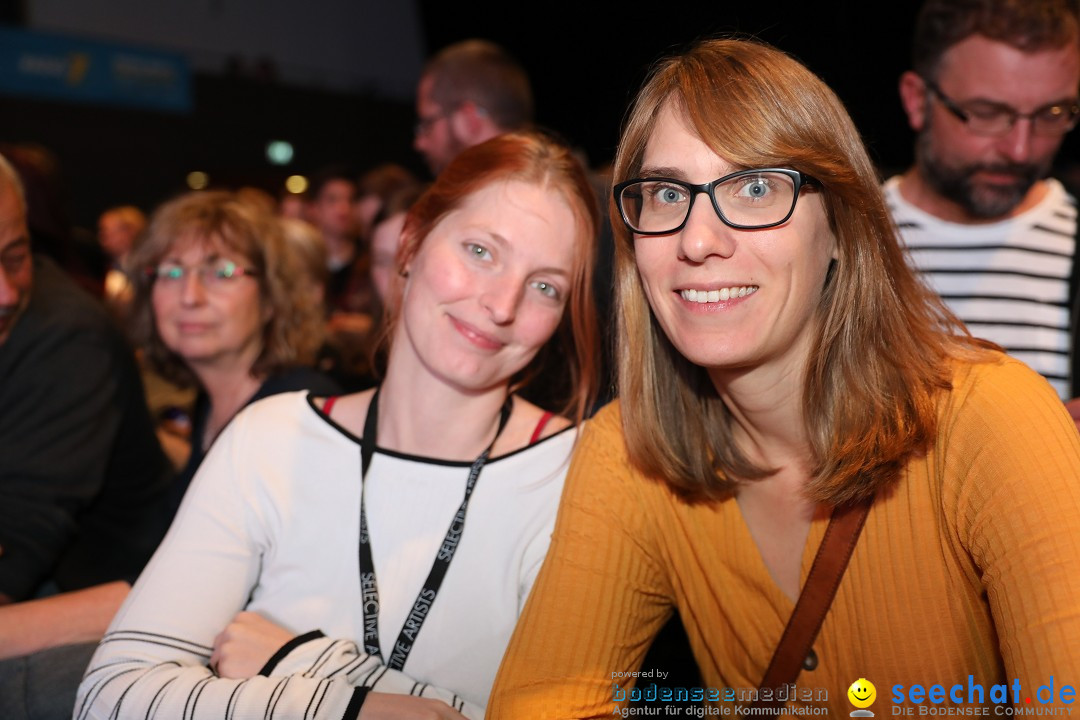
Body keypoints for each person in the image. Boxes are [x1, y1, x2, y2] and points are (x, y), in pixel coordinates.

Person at [488, 39, 1080, 718]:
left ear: (841, 228)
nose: (699, 239)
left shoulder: (993, 421)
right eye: (667, 193)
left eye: (757, 186)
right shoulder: (628, 451)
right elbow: (541, 702)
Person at [76, 131, 600, 720]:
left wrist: (305, 661)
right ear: (409, 246)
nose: (503, 304)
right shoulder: (269, 438)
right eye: (480, 251)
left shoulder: (581, 478)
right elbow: (112, 696)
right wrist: (371, 707)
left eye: (545, 286)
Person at [0, 154, 173, 716]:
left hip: (99, 592)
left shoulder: (65, 337)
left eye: (15, 256)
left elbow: (20, 538)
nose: (5, 293)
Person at [885, 0, 1080, 429]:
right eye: (989, 114)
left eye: (1051, 114)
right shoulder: (840, 237)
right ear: (917, 100)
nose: (1020, 150)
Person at [129, 190, 341, 510]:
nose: (190, 296)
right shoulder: (213, 402)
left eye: (222, 273)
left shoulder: (301, 415)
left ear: (271, 297)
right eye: (172, 272)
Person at [414, 39, 533, 175]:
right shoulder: (550, 184)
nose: (419, 143)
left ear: (469, 120)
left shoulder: (496, 194)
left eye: (428, 123)